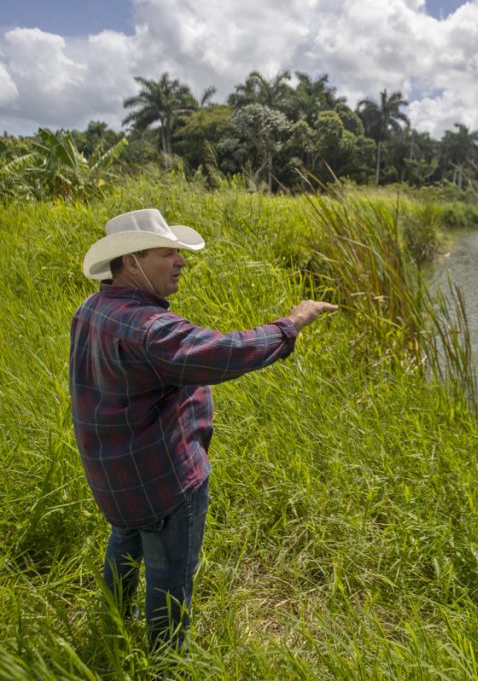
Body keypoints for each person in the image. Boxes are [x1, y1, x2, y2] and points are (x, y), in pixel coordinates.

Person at [69, 208, 336, 650]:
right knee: (170, 574)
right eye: (168, 252)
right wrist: (294, 323)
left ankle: (113, 618)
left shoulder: (92, 308)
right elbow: (225, 352)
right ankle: (165, 659)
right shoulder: (151, 329)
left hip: (116, 474)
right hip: (164, 478)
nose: (181, 260)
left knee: (126, 538)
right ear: (133, 261)